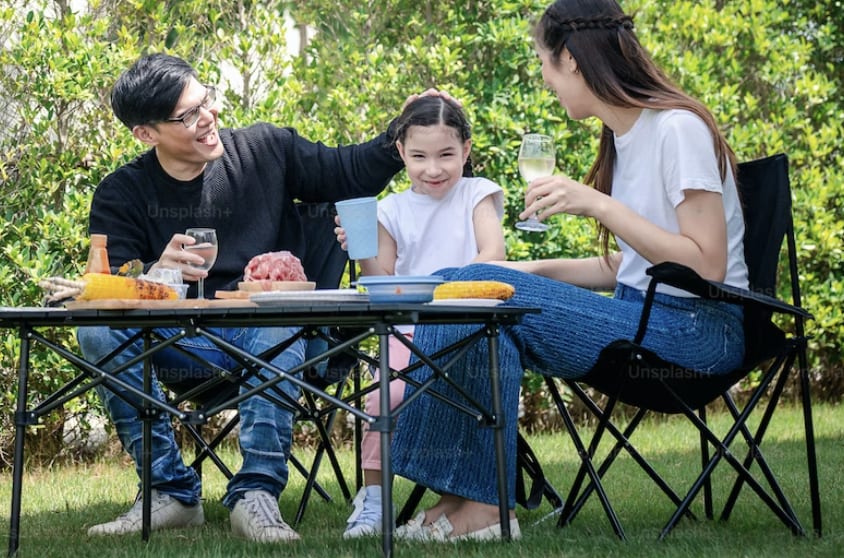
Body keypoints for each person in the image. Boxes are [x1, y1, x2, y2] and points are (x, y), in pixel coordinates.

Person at [390, 0, 749, 542]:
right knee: (460, 283)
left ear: (572, 62)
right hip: (646, 316)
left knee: (472, 296)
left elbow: (704, 265)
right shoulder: (629, 137)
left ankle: (486, 507)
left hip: (697, 335)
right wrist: (523, 267)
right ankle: (463, 496)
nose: (544, 78)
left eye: (544, 62)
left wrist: (598, 205)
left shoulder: (677, 129)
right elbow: (635, 265)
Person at [75, 52, 436, 543]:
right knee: (94, 327)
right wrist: (158, 271)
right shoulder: (122, 193)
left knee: (274, 308)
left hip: (291, 340)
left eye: (206, 102)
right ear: (146, 133)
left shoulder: (267, 151)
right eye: (188, 116)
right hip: (188, 349)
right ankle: (169, 491)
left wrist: (402, 132)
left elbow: (349, 171)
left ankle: (257, 495)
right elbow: (111, 287)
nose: (208, 119)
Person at [334, 96, 506, 539]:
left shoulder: (477, 193)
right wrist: (361, 248)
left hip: (468, 327)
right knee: (380, 398)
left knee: (464, 397)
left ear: (466, 151)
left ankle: (464, 496)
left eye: (447, 155)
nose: (434, 168)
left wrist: (447, 291)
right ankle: (374, 503)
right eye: (419, 157)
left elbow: (493, 257)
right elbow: (382, 281)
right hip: (408, 331)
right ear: (400, 154)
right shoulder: (390, 210)